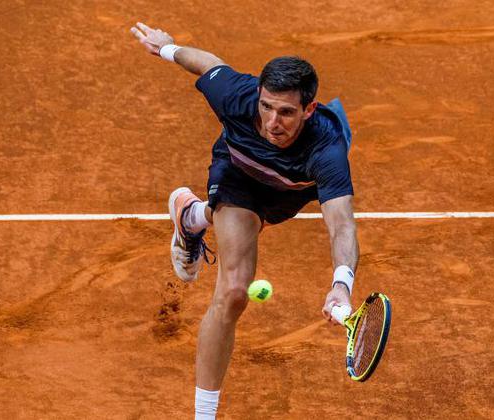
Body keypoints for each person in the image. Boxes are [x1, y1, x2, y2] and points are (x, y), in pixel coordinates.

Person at [131, 22, 359, 420]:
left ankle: (191, 216)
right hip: (237, 173)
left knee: (252, 224)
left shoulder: (328, 150)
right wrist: (168, 48)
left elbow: (341, 225)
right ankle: (204, 415)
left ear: (310, 109)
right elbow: (207, 65)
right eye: (266, 106)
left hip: (288, 190)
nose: (273, 121)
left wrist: (342, 284)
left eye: (287, 112)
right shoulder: (236, 96)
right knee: (235, 291)